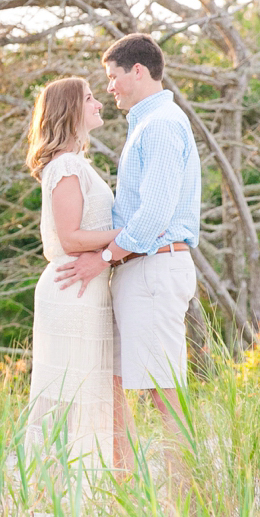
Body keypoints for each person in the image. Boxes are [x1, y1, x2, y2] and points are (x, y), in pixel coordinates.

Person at [56, 33, 200, 477]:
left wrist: (103, 258)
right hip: (141, 268)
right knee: (124, 383)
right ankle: (128, 485)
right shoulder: (149, 122)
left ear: (137, 71)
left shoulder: (160, 125)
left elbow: (155, 214)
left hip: (155, 266)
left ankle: (185, 493)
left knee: (162, 389)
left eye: (113, 77)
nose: (111, 88)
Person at [24, 76, 123, 471]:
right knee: (70, 391)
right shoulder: (65, 165)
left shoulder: (76, 164)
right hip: (71, 289)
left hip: (88, 286)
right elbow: (70, 237)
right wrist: (131, 236)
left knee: (86, 389)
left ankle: (86, 484)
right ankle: (53, 486)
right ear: (71, 109)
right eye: (90, 98)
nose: (99, 103)